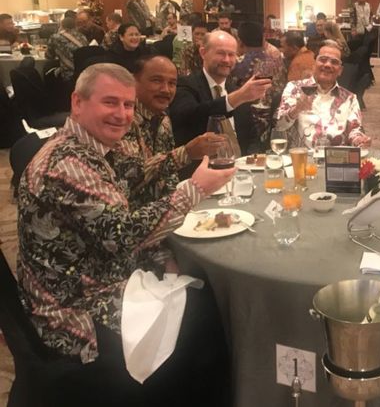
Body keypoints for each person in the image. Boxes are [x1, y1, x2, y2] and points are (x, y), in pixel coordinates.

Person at [16, 62, 234, 406]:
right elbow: (122, 235)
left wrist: (163, 254)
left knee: (188, 284)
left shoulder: (89, 148)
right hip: (73, 310)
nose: (122, 114)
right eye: (110, 102)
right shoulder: (67, 164)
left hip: (94, 278)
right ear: (77, 102)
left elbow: (133, 173)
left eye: (128, 105)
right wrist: (195, 189)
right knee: (209, 313)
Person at [122, 55, 224, 208]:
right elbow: (131, 177)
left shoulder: (163, 118)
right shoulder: (122, 120)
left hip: (166, 211)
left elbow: (169, 177)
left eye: (172, 83)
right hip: (135, 218)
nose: (166, 90)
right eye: (157, 80)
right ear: (134, 80)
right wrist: (186, 153)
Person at [171, 30, 272, 156]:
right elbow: (191, 116)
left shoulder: (236, 90)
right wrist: (236, 98)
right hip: (202, 169)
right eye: (221, 53)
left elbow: (252, 137)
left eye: (231, 54)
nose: (227, 60)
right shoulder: (185, 85)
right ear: (203, 53)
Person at [275, 40, 371, 149]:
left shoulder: (350, 98)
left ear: (340, 70)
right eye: (323, 60)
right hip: (302, 159)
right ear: (314, 65)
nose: (328, 65)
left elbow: (354, 130)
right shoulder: (294, 89)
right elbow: (279, 126)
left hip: (336, 159)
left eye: (334, 62)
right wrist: (297, 109)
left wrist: (359, 140)